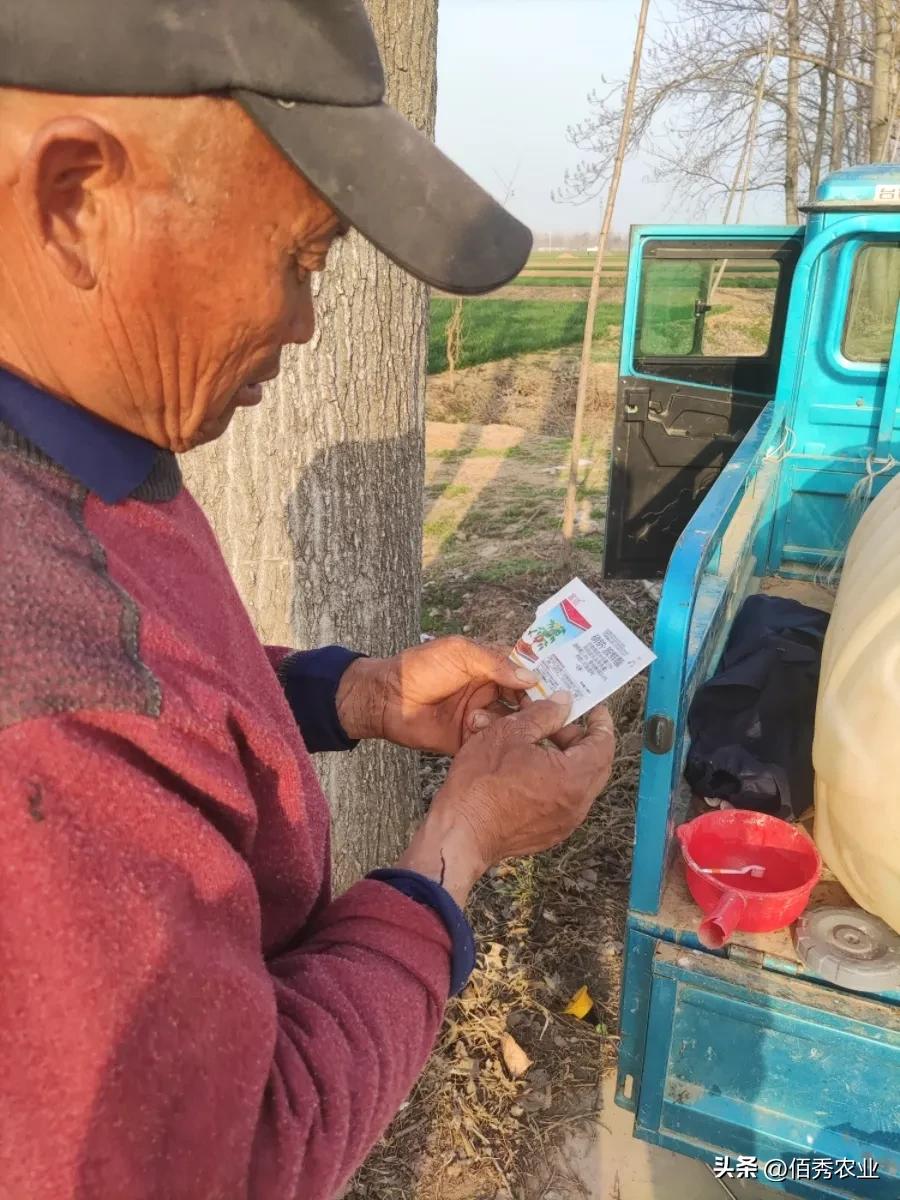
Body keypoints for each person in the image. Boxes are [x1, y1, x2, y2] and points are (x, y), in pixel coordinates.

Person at [0, 3, 616, 1198]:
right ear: (76, 197)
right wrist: (460, 844)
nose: (304, 322)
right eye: (301, 257)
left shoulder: (72, 443)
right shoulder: (50, 719)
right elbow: (238, 1155)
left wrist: (357, 692)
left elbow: (156, 666)